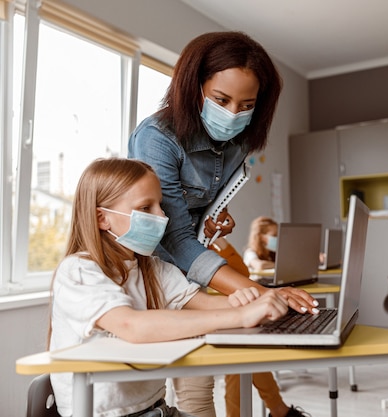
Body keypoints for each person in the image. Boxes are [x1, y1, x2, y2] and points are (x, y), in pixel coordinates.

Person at [128, 31, 315, 417]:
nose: (233, 115)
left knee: (200, 386)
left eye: (246, 105)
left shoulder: (239, 141)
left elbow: (192, 221)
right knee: (152, 396)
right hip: (152, 274)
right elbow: (172, 237)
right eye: (221, 100)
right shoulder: (157, 139)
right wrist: (257, 290)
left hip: (193, 274)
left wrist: (212, 218)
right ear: (193, 88)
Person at [48, 158, 290, 417]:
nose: (162, 217)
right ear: (102, 218)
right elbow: (133, 326)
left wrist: (258, 302)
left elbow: (207, 305)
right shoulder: (78, 271)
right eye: (145, 207)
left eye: (160, 206)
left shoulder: (153, 268)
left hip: (157, 410)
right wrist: (241, 314)